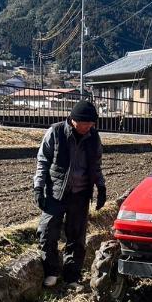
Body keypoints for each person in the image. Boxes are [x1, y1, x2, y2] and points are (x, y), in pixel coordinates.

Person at [33, 99, 107, 287]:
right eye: (85, 123)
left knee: (77, 237)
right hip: (56, 192)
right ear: (73, 120)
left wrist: (101, 187)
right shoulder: (56, 132)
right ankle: (51, 272)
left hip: (81, 194)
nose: (88, 127)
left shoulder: (93, 137)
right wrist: (38, 187)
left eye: (91, 124)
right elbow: (43, 162)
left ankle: (71, 277)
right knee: (48, 232)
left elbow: (96, 165)